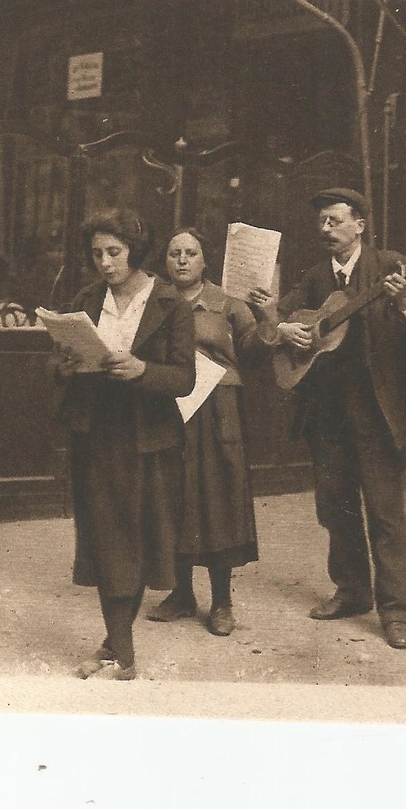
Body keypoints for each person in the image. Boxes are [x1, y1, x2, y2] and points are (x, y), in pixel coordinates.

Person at [253, 187, 406, 650]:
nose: (326, 230)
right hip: (327, 414)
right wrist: (282, 325)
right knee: (336, 509)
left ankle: (396, 611)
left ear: (360, 225)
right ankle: (353, 592)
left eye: (335, 221)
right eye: (322, 223)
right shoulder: (316, 276)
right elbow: (280, 319)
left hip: (379, 414)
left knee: (385, 513)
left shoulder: (391, 265)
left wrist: (403, 300)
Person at [51, 209, 196, 680]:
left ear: (135, 250)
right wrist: (68, 364)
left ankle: (116, 643)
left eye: (114, 252)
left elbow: (185, 378)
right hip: (97, 433)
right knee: (106, 540)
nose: (105, 263)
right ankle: (123, 648)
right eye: (96, 254)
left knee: (137, 541)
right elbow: (53, 365)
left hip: (149, 438)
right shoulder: (86, 299)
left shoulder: (171, 303)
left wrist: (143, 372)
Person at [143, 229, 270, 637]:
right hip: (169, 406)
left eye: (191, 253)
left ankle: (221, 602)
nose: (182, 260)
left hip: (217, 409)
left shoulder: (229, 304)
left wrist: (270, 323)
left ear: (205, 261)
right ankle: (182, 594)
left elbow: (252, 350)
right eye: (174, 252)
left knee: (218, 498)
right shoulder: (153, 304)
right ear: (165, 261)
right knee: (174, 496)